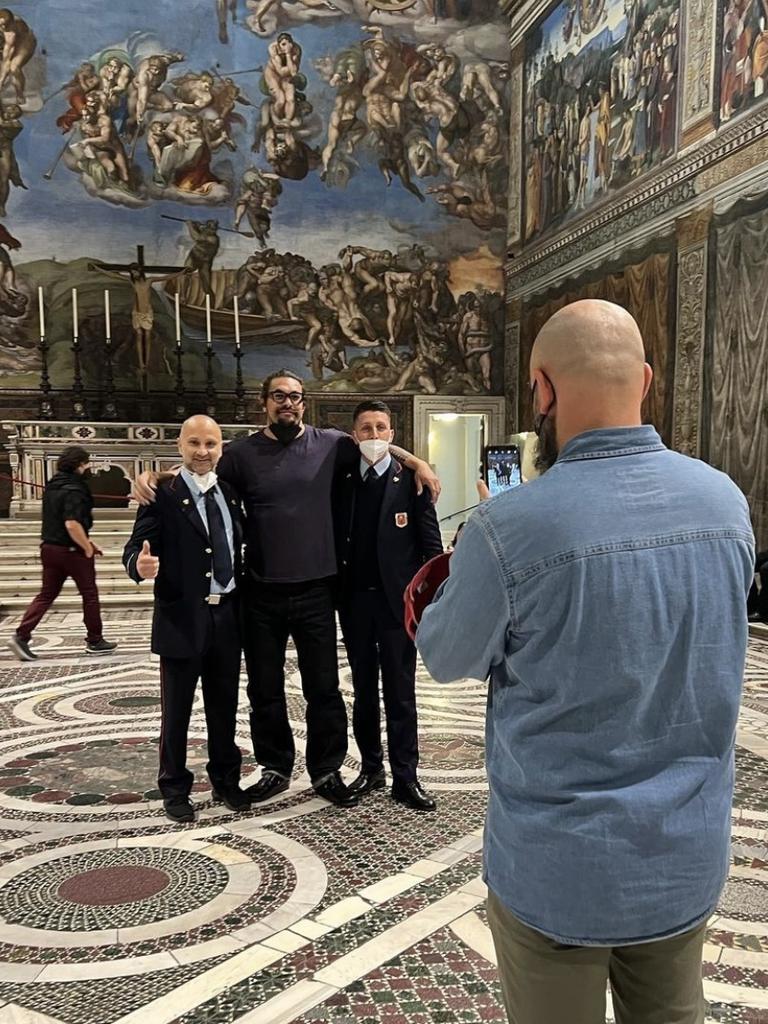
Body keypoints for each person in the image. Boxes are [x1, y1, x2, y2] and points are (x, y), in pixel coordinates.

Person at [416, 299, 755, 1024]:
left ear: (541, 389)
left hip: (558, 867)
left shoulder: (509, 528)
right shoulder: (725, 503)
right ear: (648, 381)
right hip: (684, 855)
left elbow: (445, 656)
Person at [131, 371, 440, 810]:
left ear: (304, 403)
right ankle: (275, 767)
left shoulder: (332, 444)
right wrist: (155, 477)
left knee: (324, 689)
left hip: (317, 590)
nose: (288, 403)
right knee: (266, 690)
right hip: (260, 593)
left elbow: (377, 445)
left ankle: (327, 768)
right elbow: (199, 469)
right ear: (265, 403)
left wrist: (418, 463)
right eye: (279, 396)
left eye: (295, 396)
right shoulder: (239, 455)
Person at [123, 416, 249, 824]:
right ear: (180, 445)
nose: (202, 451)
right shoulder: (161, 494)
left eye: (210, 443)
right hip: (181, 618)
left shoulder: (230, 493)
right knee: (176, 711)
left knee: (224, 706)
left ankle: (226, 779)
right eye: (194, 442)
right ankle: (174, 786)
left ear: (221, 448)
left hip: (227, 617)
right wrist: (138, 566)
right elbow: (136, 546)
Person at [334, 400, 442, 811]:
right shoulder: (341, 478)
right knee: (363, 691)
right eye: (366, 429)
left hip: (399, 608)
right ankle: (371, 768)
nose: (374, 436)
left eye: (381, 428)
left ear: (393, 435)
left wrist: (430, 604)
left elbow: (431, 551)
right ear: (354, 434)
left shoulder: (412, 482)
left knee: (400, 692)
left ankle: (406, 776)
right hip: (355, 603)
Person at [8, 446, 117, 661]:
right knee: (89, 594)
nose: (88, 468)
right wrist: (85, 547)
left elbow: (59, 521)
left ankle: (21, 635)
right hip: (71, 551)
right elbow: (71, 523)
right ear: (79, 465)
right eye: (86, 463)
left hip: (49, 547)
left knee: (46, 594)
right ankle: (95, 640)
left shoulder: (53, 485)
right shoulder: (74, 489)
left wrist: (88, 541)